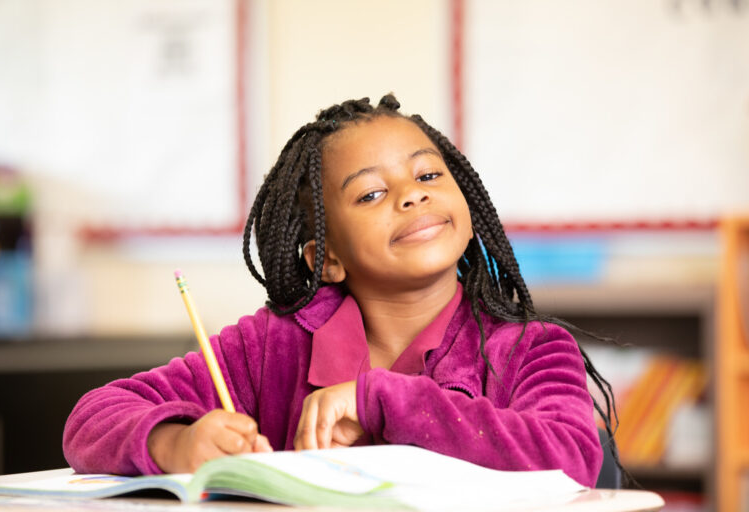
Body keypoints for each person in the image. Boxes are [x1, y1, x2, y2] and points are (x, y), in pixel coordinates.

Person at [63, 94, 614, 487]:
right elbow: (94, 416)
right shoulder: (270, 347)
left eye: (427, 177)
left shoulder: (530, 349)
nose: (411, 197)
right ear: (325, 259)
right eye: (372, 194)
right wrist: (175, 444)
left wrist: (379, 399)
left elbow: (570, 456)